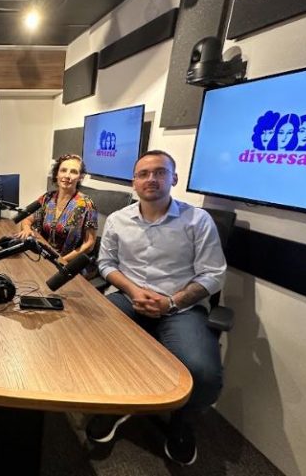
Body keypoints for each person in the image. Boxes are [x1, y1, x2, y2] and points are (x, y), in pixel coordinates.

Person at [87, 150, 226, 466]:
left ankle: (182, 422)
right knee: (89, 342)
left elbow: (214, 274)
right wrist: (134, 291)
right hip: (129, 298)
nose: (151, 179)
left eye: (159, 172)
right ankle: (116, 404)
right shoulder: (119, 221)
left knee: (203, 373)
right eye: (143, 173)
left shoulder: (197, 221)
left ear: (173, 178)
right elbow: (106, 263)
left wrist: (171, 302)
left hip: (181, 307)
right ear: (134, 182)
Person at [15, 153, 97, 264]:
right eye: (63, 170)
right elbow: (27, 218)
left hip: (67, 264)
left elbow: (89, 244)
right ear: (57, 174)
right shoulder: (47, 198)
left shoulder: (87, 204)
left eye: (73, 172)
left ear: (80, 177)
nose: (67, 176)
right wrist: (26, 229)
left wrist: (62, 260)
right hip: (43, 257)